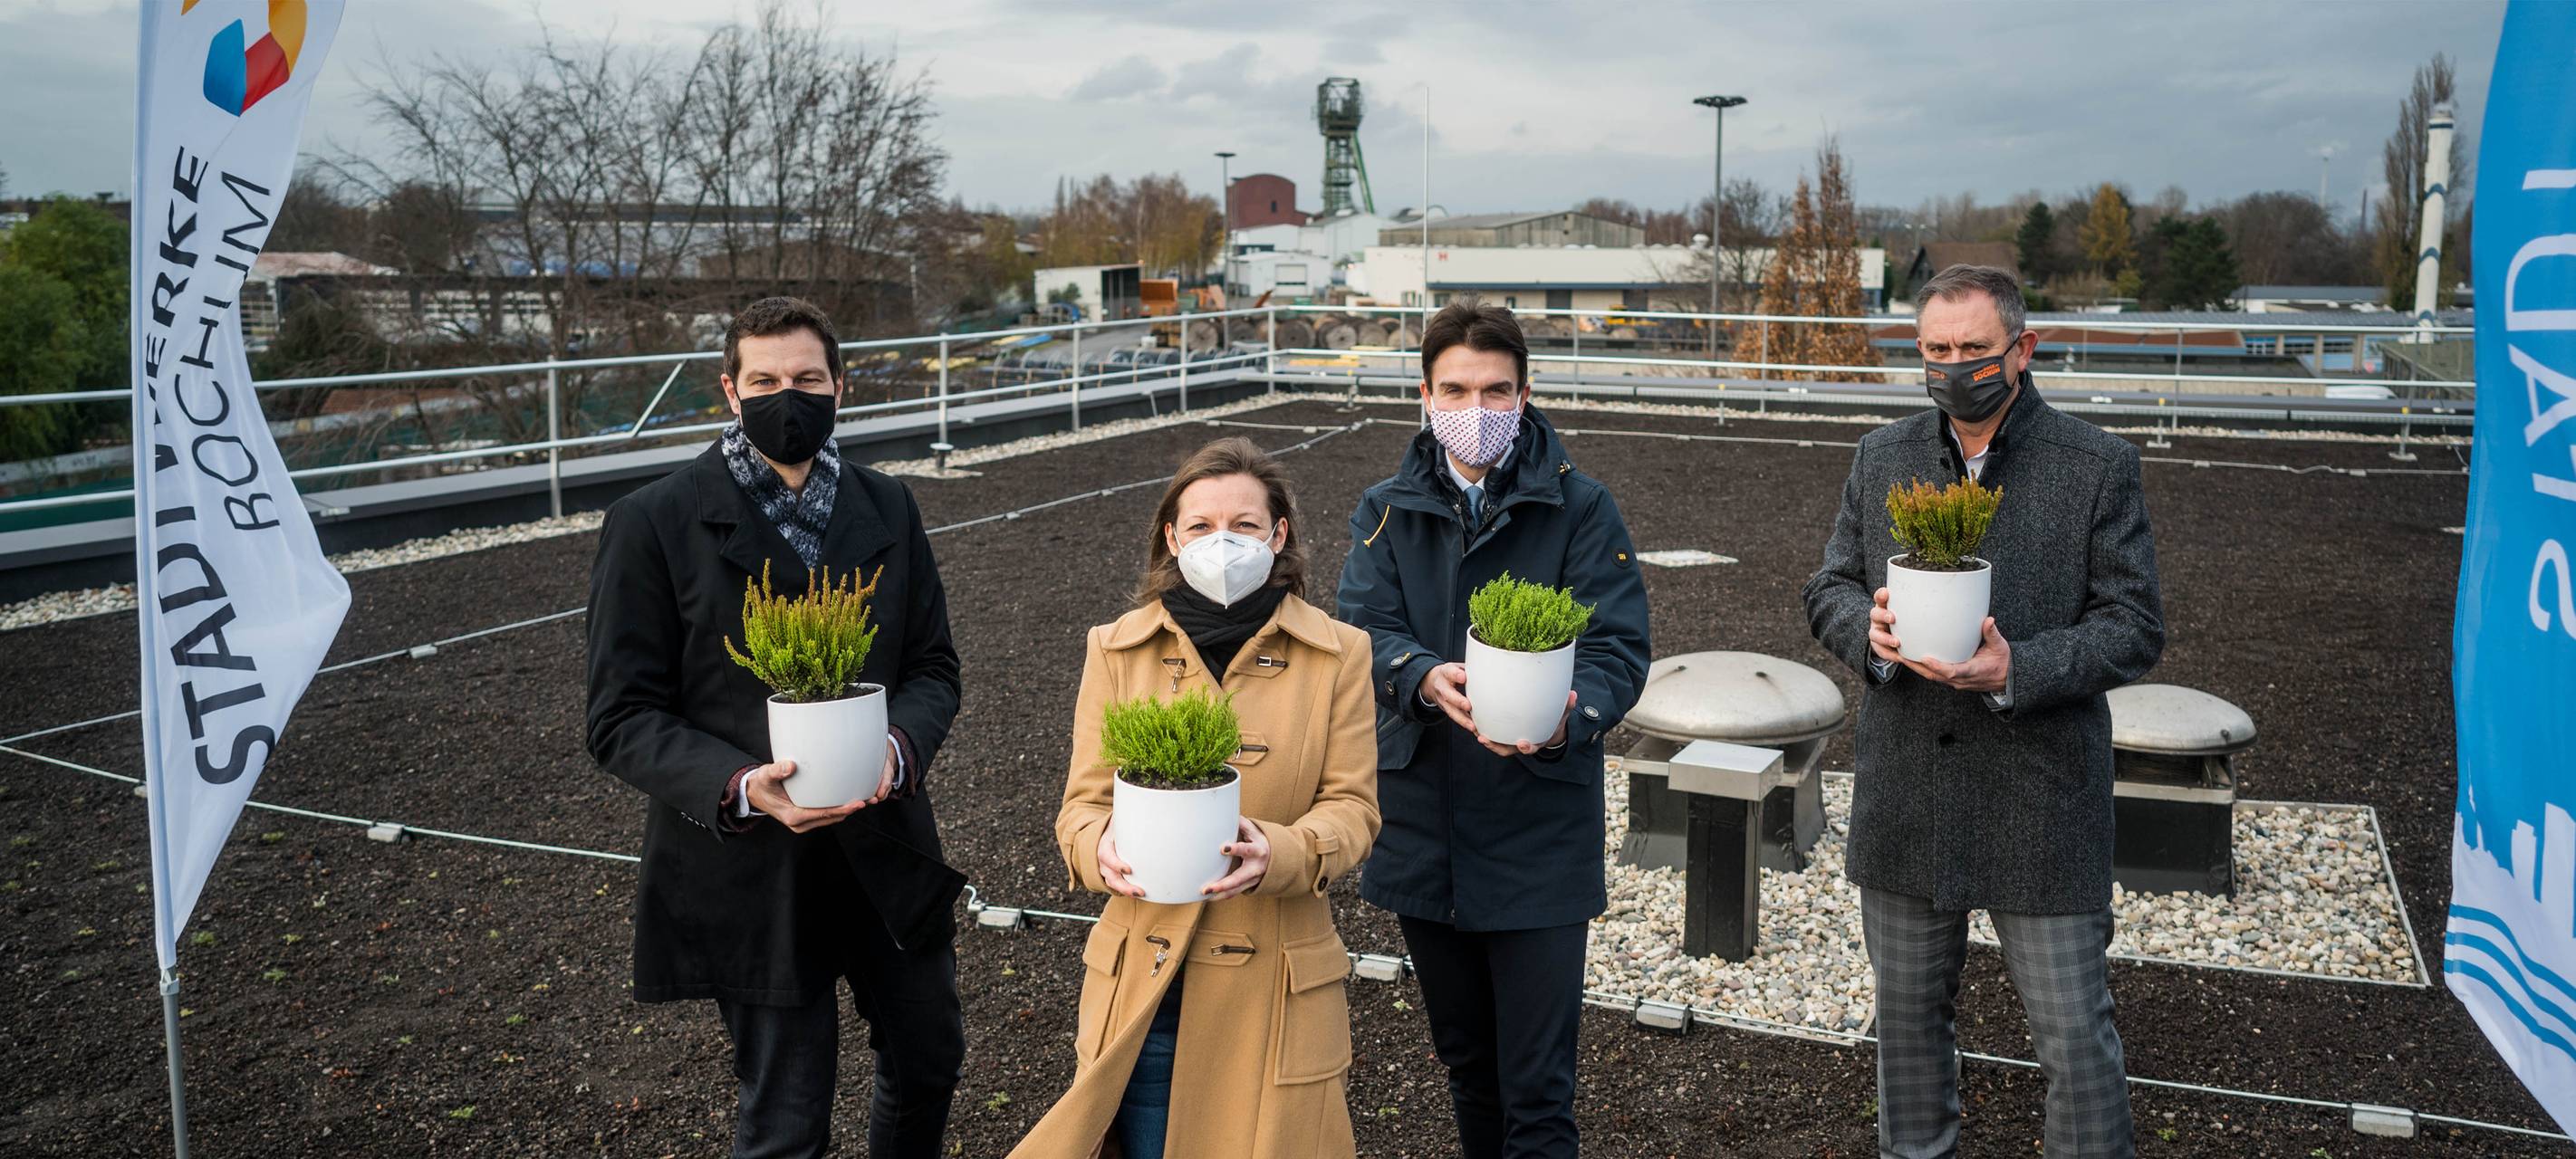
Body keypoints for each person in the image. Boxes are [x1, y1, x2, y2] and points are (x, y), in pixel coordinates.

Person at [585, 296, 966, 1159]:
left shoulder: (888, 507)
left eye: (805, 379)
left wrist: (897, 749)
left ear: (842, 387)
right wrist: (739, 785)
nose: (785, 397)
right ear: (729, 390)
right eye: (763, 380)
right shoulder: (654, 522)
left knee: (930, 1058)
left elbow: (933, 667)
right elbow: (620, 716)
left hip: (884, 846)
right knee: (786, 1116)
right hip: (750, 867)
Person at [1803, 263, 2165, 1158]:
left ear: (2023, 350)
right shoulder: (1880, 455)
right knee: (1909, 1026)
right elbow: (1830, 586)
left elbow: (2133, 625)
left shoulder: (2096, 466)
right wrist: (1870, 631)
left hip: (2039, 799)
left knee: (2075, 1033)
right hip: (1907, 791)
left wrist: (2021, 665)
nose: (1952, 365)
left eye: (1972, 348)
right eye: (1934, 349)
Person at [1335, 297, 1650, 1158]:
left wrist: (1564, 720)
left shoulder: (1580, 508)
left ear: (1525, 391)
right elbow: (1362, 628)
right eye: (1457, 389)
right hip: (1423, 827)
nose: (1477, 412)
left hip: (1538, 827)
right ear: (1425, 395)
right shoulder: (1386, 511)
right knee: (1469, 1066)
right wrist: (1421, 676)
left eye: (1498, 391)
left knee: (1539, 1090)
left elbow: (1618, 650)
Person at [1013, 436, 1380, 1159]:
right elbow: (1081, 807)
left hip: (1277, 983)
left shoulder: (1342, 653)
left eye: (1245, 525)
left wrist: (1282, 850)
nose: (1224, 542)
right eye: (1202, 526)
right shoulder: (1115, 648)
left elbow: (1354, 807)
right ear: (1172, 538)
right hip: (1149, 983)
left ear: (1279, 537)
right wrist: (1099, 849)